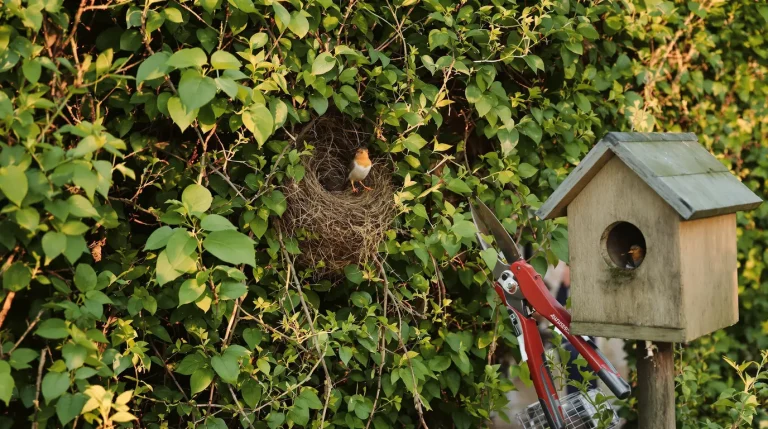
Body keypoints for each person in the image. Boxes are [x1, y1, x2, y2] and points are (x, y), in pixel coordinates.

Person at [555, 264, 598, 395]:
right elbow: (558, 307)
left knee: (587, 375)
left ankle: (588, 408)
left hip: (582, 333)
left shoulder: (585, 287)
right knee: (574, 377)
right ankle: (579, 409)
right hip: (568, 335)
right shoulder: (565, 289)